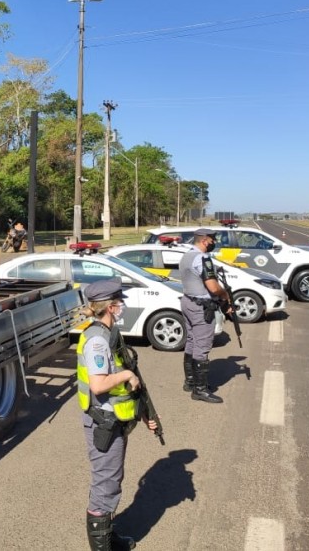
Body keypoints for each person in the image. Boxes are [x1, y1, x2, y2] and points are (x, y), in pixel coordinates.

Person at [77, 279, 158, 551]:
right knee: (106, 483)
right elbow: (99, 384)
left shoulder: (108, 333)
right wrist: (126, 374)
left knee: (112, 479)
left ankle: (109, 537)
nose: (122, 305)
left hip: (115, 419)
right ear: (110, 307)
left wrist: (144, 414)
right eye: (119, 302)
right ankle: (102, 546)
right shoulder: (97, 341)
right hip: (104, 422)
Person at [178, 228, 232, 404]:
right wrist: (225, 296)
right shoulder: (202, 258)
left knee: (192, 342)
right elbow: (213, 287)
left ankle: (190, 381)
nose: (213, 243)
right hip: (201, 307)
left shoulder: (186, 256)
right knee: (202, 346)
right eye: (212, 240)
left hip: (187, 301)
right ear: (204, 241)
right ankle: (200, 390)